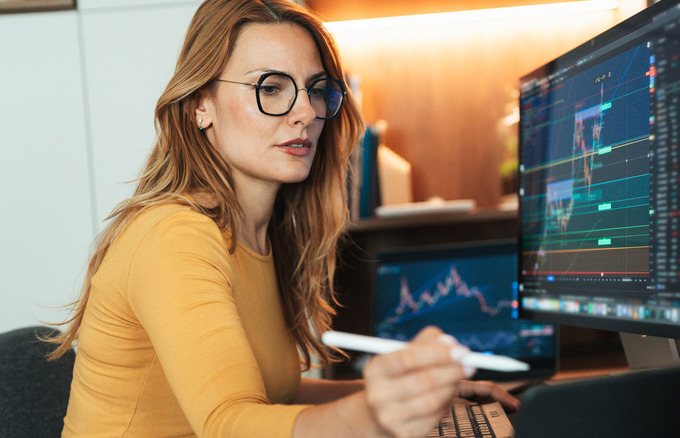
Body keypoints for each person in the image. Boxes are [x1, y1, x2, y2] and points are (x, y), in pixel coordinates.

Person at [47, 0, 519, 436]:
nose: (305, 112)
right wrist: (372, 416)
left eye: (316, 91)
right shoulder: (174, 236)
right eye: (270, 88)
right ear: (200, 105)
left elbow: (276, 398)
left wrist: (420, 399)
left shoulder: (261, 233)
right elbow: (229, 424)